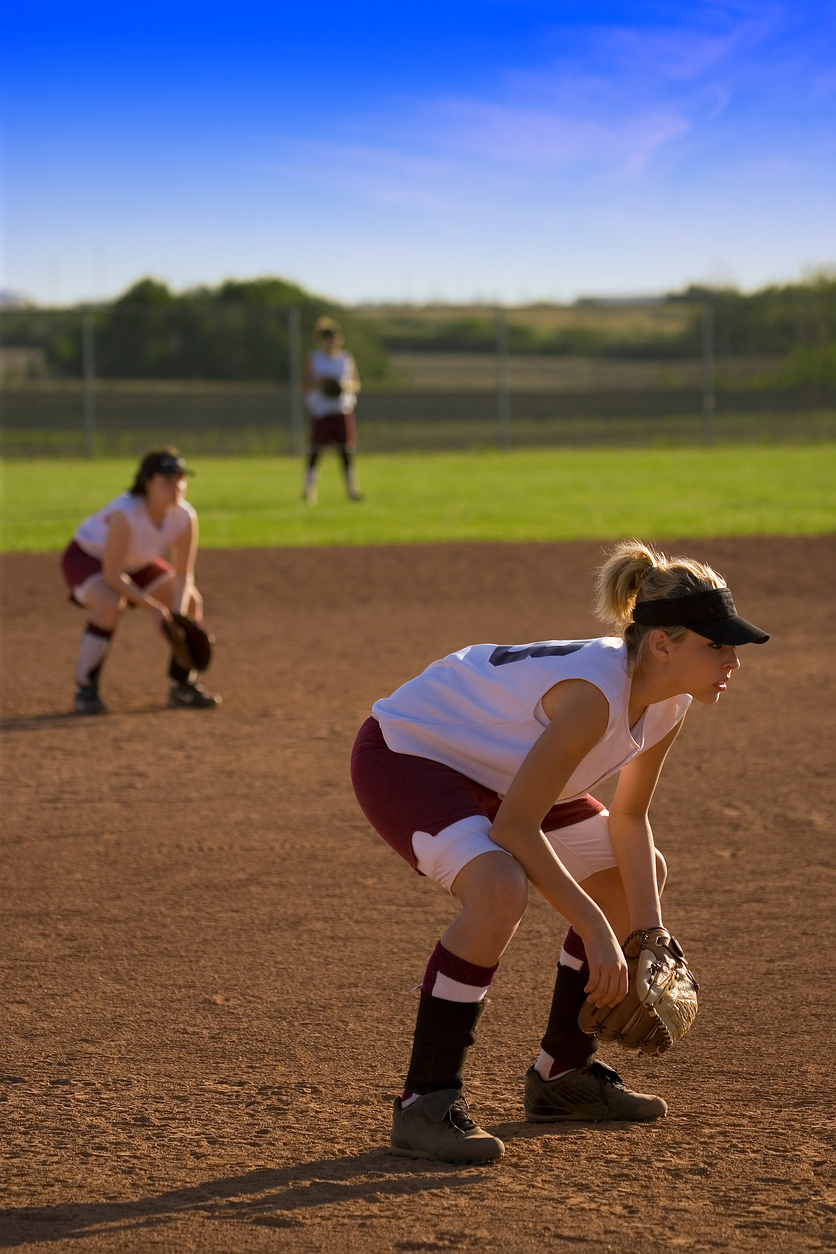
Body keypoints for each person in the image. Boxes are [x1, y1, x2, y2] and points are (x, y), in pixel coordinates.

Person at [351, 540, 769, 1165]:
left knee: (637, 875)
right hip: (415, 755)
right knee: (498, 890)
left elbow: (630, 816)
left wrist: (647, 930)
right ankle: (424, 1105)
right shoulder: (593, 699)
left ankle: (561, 1077)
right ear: (662, 644)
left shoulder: (670, 700)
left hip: (510, 767)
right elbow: (518, 828)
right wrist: (597, 930)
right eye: (715, 644)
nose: (731, 659)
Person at [60, 448, 221, 715]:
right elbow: (112, 575)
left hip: (137, 562)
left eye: (181, 479)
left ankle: (181, 685)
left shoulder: (184, 515)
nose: (177, 486)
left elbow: (184, 575)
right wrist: (157, 611)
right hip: (90, 558)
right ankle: (85, 689)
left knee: (191, 601)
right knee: (111, 601)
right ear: (148, 482)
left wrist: (177, 617)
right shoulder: (126, 514)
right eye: (167, 480)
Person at [302, 316, 362, 504]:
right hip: (321, 411)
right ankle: (308, 491)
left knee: (346, 452)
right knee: (316, 452)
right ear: (321, 340)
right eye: (328, 338)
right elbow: (305, 386)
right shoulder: (314, 359)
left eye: (335, 337)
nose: (332, 342)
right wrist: (321, 383)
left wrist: (343, 385)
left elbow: (356, 384)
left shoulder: (346, 359)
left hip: (341, 409)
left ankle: (352, 490)